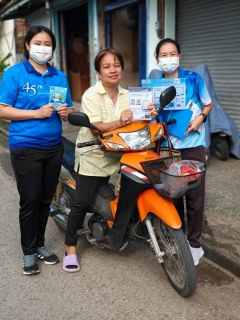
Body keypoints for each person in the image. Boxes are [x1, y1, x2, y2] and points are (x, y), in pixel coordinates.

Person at [63, 48, 158, 273]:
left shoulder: (130, 95)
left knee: (121, 193)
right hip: (93, 156)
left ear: (122, 69)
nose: (112, 70)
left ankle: (114, 227)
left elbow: (140, 123)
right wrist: (119, 121)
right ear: (98, 72)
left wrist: (151, 114)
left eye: (116, 65)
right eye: (106, 66)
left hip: (121, 154)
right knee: (83, 201)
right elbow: (96, 129)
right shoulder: (91, 95)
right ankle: (70, 249)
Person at [0, 25, 73, 275]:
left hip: (54, 147)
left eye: (47, 43)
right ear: (28, 46)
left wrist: (66, 112)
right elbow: (2, 109)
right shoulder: (15, 74)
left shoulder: (59, 76)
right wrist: (35, 113)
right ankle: (28, 253)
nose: (43, 48)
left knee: (45, 199)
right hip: (25, 147)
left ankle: (40, 244)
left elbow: (68, 109)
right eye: (38, 43)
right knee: (30, 201)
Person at [149, 38, 213, 266]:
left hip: (193, 145)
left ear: (180, 57)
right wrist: (151, 112)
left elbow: (208, 104)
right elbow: (152, 119)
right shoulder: (154, 86)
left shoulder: (194, 80)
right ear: (157, 59)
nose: (168, 59)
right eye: (163, 55)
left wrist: (200, 119)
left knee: (196, 198)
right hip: (168, 149)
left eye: (172, 53)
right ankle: (179, 240)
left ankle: (195, 245)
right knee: (173, 195)